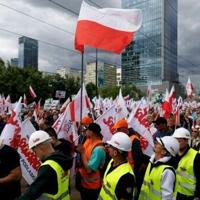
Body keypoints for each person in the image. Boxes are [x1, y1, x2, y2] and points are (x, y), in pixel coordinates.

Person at [18, 130, 73, 200]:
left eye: (34, 151)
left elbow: (32, 192)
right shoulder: (62, 159)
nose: (35, 154)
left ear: (40, 146)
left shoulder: (48, 167)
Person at [98, 132, 136, 200]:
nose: (107, 147)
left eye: (110, 146)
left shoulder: (127, 176)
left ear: (115, 152)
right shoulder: (112, 161)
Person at [76, 123, 106, 200]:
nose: (85, 131)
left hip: (92, 187)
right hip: (83, 182)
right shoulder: (88, 140)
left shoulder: (99, 149)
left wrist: (82, 153)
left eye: (87, 130)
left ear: (92, 132)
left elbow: (89, 170)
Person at [172, 127, 200, 200]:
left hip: (190, 196)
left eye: (179, 141)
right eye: (175, 141)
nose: (176, 143)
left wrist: (197, 196)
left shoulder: (196, 157)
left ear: (186, 141)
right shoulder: (173, 155)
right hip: (175, 194)